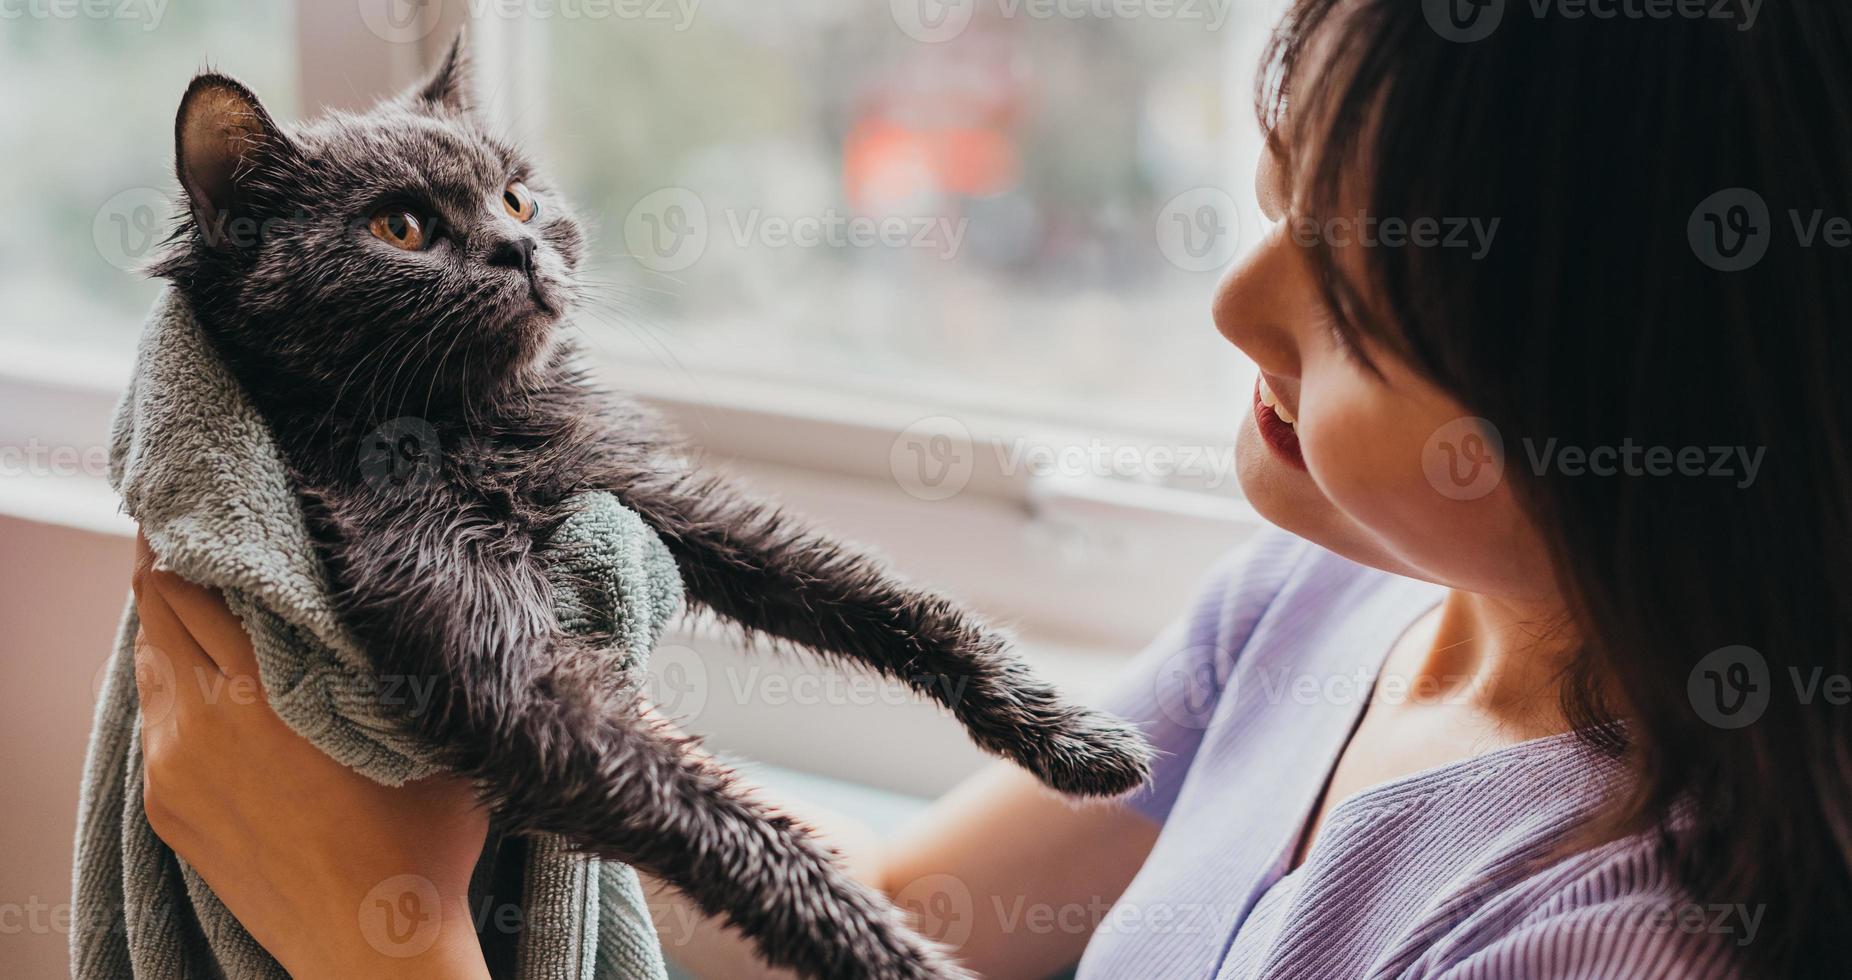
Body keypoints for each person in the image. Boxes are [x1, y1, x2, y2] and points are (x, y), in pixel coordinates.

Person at [128, 1, 1851, 977]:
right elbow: (890, 918)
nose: (1233, 304)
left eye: (1360, 301)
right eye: (1277, 199)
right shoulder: (1322, 611)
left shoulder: (1625, 937)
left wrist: (393, 952)